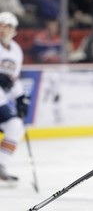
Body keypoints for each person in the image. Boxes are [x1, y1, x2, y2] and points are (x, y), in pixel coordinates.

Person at [0, 12, 30, 182]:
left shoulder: (16, 50)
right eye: (1, 25)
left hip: (1, 99)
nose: (3, 29)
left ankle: (1, 164)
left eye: (6, 26)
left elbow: (12, 79)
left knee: (15, 124)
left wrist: (20, 98)